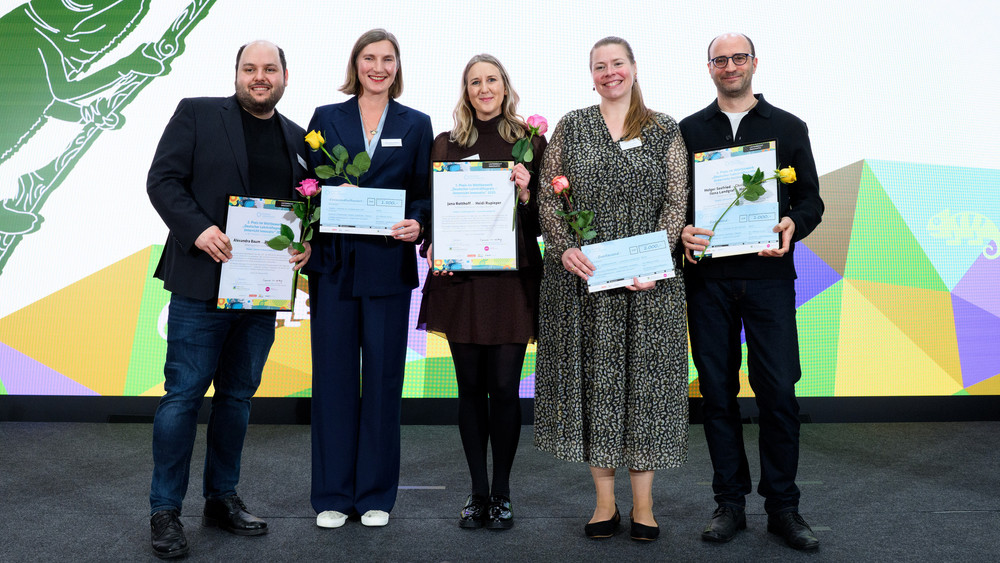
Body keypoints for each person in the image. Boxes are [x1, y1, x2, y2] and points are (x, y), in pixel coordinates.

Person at [145, 40, 310, 559]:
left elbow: (307, 208)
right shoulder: (196, 113)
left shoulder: (298, 137)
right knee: (182, 398)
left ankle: (221, 498)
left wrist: (308, 242)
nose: (259, 77)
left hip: (258, 293)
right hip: (199, 284)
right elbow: (162, 181)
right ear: (236, 72)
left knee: (237, 399)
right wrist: (197, 230)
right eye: (249, 68)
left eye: (269, 69)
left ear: (285, 75)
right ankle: (164, 510)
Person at [533, 36, 689, 542]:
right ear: (591, 75)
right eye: (599, 66)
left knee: (644, 391)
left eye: (617, 64)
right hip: (586, 285)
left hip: (650, 288)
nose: (609, 73)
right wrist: (562, 248)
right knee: (596, 389)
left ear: (634, 68)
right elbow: (547, 193)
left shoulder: (665, 129)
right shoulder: (572, 127)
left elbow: (676, 201)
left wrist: (657, 256)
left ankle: (643, 507)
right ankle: (605, 505)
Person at [678, 33, 825, 551]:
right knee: (717, 394)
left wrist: (792, 223)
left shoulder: (788, 127)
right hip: (709, 283)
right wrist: (682, 234)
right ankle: (730, 504)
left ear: (755, 63)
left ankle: (784, 507)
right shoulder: (688, 131)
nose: (730, 66)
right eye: (720, 60)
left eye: (739, 58)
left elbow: (812, 200)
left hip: (768, 280)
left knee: (779, 392)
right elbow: (679, 209)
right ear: (710, 68)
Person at [306, 29, 433, 530]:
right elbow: (308, 188)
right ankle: (333, 496)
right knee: (333, 380)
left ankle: (377, 493)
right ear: (355, 64)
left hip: (387, 267)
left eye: (387, 59)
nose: (378, 67)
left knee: (382, 383)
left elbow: (424, 191)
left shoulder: (416, 124)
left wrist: (419, 222)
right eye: (369, 58)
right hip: (334, 266)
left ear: (397, 68)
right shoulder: (324, 119)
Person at [417, 54, 545, 530]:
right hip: (462, 284)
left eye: (492, 80)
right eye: (475, 82)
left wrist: (529, 191)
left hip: (511, 282)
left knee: (505, 389)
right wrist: (434, 245)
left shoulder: (529, 143)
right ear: (466, 90)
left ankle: (503, 493)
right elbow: (434, 211)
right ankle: (477, 493)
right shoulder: (446, 143)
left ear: (505, 86)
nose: (484, 88)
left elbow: (540, 223)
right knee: (469, 389)